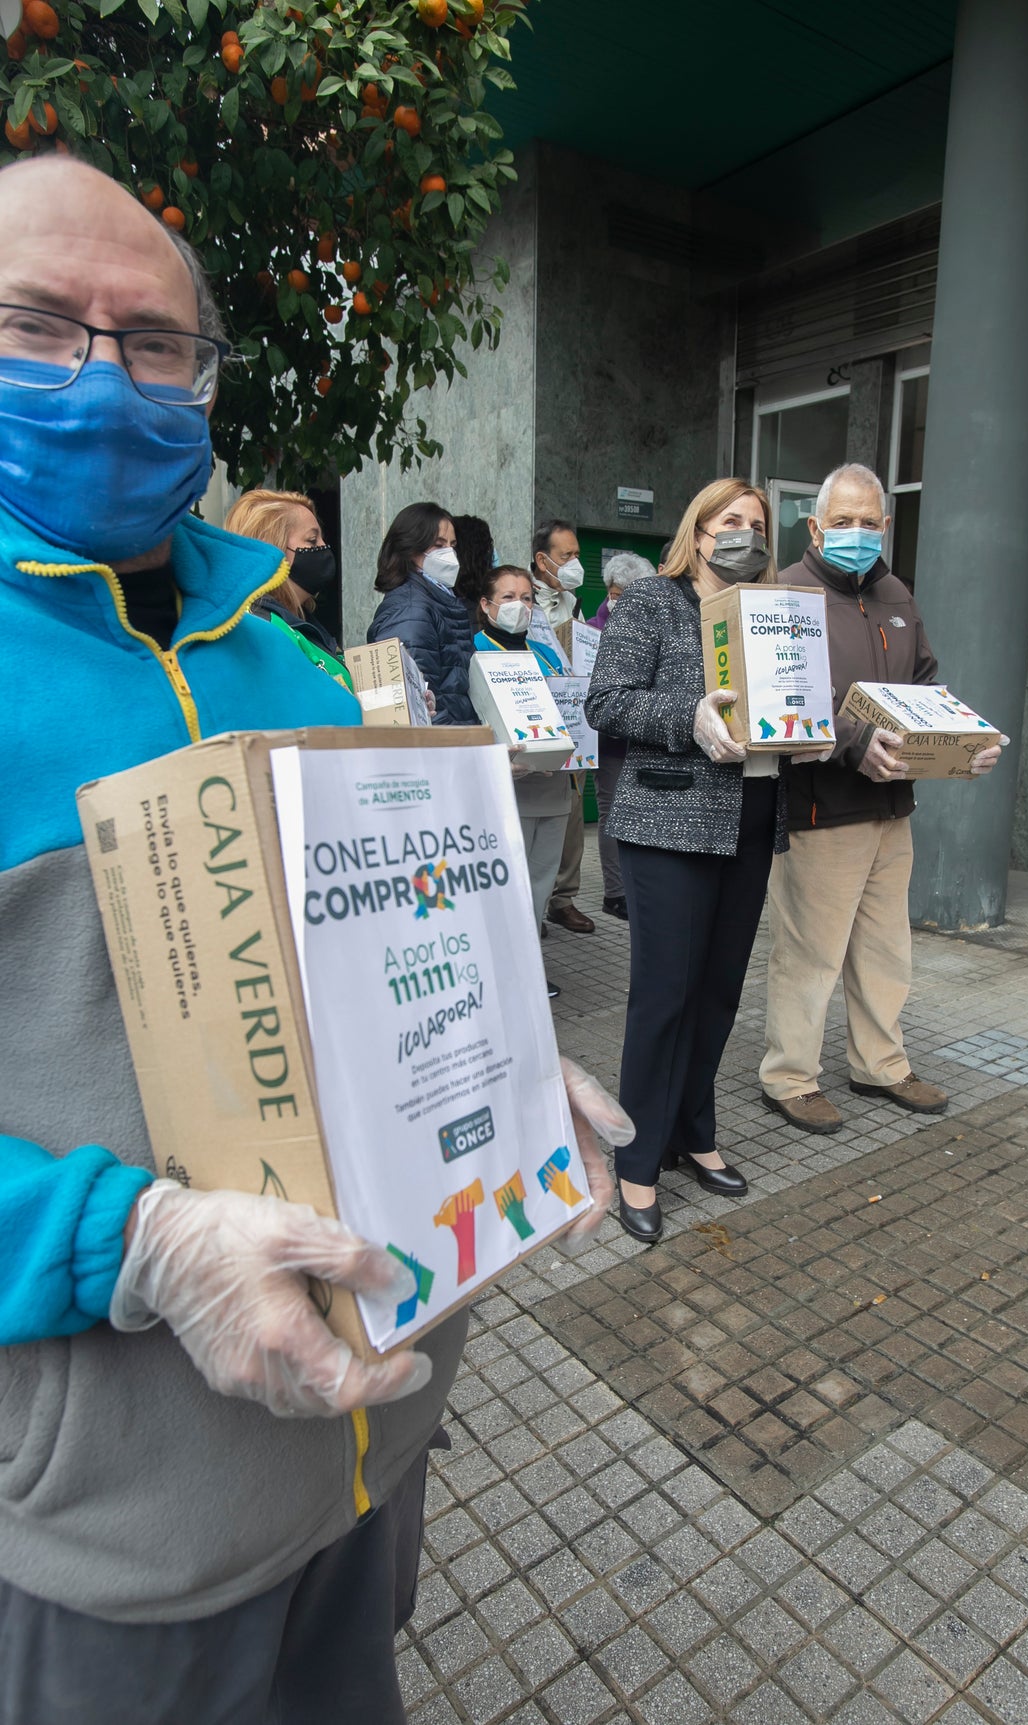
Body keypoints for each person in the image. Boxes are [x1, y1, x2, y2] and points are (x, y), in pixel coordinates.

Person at [0, 156, 631, 1725]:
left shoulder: (289, 659)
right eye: (37, 326)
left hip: (371, 1450)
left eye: (154, 342)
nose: (104, 377)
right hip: (119, 1529)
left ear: (204, 378)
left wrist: (496, 1059)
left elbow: (374, 959)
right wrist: (129, 1243)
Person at [586, 478, 805, 1244]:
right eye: (730, 520)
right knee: (665, 997)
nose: (745, 533)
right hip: (669, 821)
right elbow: (606, 701)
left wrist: (811, 726)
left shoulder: (772, 612)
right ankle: (636, 1159)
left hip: (752, 817)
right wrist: (689, 716)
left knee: (717, 993)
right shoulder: (654, 600)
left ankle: (692, 1131)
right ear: (699, 530)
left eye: (757, 523)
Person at [760, 462, 1004, 1134]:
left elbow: (925, 687)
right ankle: (790, 1077)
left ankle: (881, 1065)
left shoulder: (898, 594)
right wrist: (854, 741)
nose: (857, 533)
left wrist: (961, 742)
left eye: (869, 522)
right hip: (820, 809)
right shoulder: (785, 592)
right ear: (815, 527)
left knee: (884, 949)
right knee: (810, 954)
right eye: (842, 521)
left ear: (887, 525)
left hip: (893, 808)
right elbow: (781, 700)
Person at [473, 565, 569, 998]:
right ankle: (499, 977)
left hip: (553, 787)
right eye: (508, 597)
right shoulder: (473, 651)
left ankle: (527, 973)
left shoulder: (546, 655)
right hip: (505, 790)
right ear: (486, 605)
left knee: (539, 887)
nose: (520, 606)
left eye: (527, 598)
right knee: (505, 889)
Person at [532, 519, 595, 934]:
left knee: (573, 810)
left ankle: (563, 898)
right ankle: (532, 902)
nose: (574, 563)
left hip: (574, 718)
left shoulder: (574, 602)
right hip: (537, 720)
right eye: (565, 555)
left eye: (576, 554)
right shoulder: (524, 599)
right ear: (543, 560)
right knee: (537, 814)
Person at [225, 488, 352, 690]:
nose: (324, 547)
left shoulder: (301, 622)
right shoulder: (263, 628)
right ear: (275, 548)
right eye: (312, 540)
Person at [590, 552, 656, 921]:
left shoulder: (650, 626)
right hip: (611, 743)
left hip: (645, 741)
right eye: (615, 593)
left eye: (626, 594)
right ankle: (614, 893)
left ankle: (636, 886)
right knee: (611, 814)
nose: (618, 601)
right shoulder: (590, 631)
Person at [367, 502, 477, 725]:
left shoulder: (437, 598)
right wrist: (460, 742)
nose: (449, 553)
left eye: (452, 545)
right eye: (438, 545)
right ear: (410, 548)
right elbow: (420, 704)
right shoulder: (411, 609)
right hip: (443, 742)